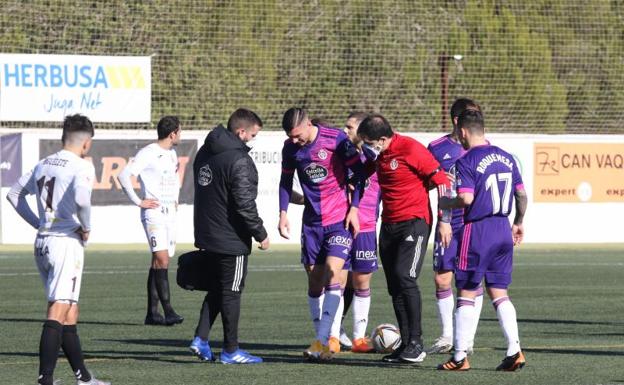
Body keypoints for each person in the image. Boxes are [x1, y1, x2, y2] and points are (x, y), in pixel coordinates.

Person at [6, 114, 110, 385]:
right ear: (86, 142)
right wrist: (86, 226)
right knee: (57, 310)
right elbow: (81, 199)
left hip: (43, 242)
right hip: (64, 244)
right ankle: (45, 380)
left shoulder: (44, 163)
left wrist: (38, 223)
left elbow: (13, 194)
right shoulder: (81, 166)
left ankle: (84, 378)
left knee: (69, 311)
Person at [357, 114, 452, 364]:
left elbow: (442, 181)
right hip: (388, 225)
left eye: (369, 142)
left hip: (415, 222)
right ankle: (407, 344)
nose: (366, 146)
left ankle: (417, 343)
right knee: (394, 285)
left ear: (383, 138)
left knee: (405, 277)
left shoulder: (411, 148)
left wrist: (445, 220)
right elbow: (362, 174)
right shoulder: (377, 155)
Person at [437, 109, 527, 371]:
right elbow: (521, 196)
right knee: (499, 291)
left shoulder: (466, 160)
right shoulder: (507, 157)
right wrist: (518, 222)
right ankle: (515, 350)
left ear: (463, 132)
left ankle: (459, 356)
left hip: (478, 230)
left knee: (466, 291)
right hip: (503, 229)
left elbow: (465, 199)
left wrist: (446, 202)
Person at [278, 107, 364, 361]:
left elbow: (359, 174)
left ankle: (323, 340)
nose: (294, 141)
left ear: (306, 124)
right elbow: (285, 181)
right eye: (290, 137)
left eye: (297, 135)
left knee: (331, 273)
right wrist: (283, 213)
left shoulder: (335, 138)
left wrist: (355, 208)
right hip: (312, 224)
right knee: (315, 282)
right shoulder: (290, 148)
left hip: (339, 220)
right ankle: (322, 343)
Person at [189, 108, 270, 364]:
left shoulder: (205, 152)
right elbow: (244, 203)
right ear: (241, 132)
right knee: (232, 292)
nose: (253, 140)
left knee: (217, 289)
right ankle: (231, 350)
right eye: (253, 135)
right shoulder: (238, 160)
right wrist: (260, 233)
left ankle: (201, 339)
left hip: (207, 235)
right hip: (230, 239)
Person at [426, 98, 484, 354]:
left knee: (470, 279)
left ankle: (467, 338)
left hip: (473, 222)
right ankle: (448, 335)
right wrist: (437, 179)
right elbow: (423, 180)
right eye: (471, 115)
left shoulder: (484, 146)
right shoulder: (436, 147)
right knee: (442, 278)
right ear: (457, 121)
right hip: (447, 222)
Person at [118, 116, 184, 326]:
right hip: (153, 213)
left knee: (159, 261)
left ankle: (152, 314)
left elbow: (172, 181)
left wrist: (175, 200)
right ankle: (169, 310)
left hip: (169, 214)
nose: (180, 135)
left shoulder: (172, 154)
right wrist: (139, 201)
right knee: (162, 259)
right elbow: (124, 175)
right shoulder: (148, 152)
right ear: (173, 133)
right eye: (179, 132)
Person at [338, 112, 381, 353]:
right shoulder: (341, 155)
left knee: (361, 282)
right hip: (341, 225)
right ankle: (333, 334)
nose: (345, 131)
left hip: (365, 226)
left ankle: (358, 338)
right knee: (337, 280)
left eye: (350, 127)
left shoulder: (374, 158)